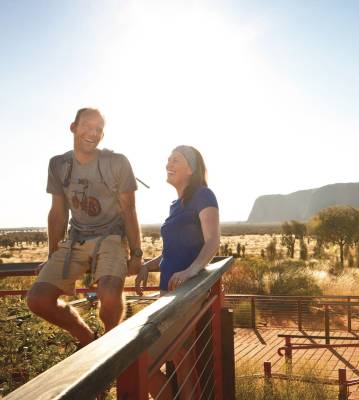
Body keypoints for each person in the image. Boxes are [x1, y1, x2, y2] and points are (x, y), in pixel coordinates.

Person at [27, 108, 143, 348]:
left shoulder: (116, 162)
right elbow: (58, 213)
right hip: (76, 238)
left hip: (111, 236)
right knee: (38, 300)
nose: (93, 132)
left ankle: (112, 347)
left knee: (110, 293)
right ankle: (87, 338)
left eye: (98, 129)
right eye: (87, 126)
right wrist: (51, 255)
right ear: (73, 127)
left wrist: (137, 253)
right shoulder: (58, 165)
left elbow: (129, 210)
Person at [135, 145, 220, 399]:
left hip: (185, 295)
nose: (168, 164)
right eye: (168, 159)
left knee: (141, 363)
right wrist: (147, 265)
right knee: (183, 360)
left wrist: (192, 270)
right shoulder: (176, 205)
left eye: (176, 160)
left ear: (191, 169)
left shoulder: (204, 195)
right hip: (169, 295)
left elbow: (212, 241)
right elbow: (172, 250)